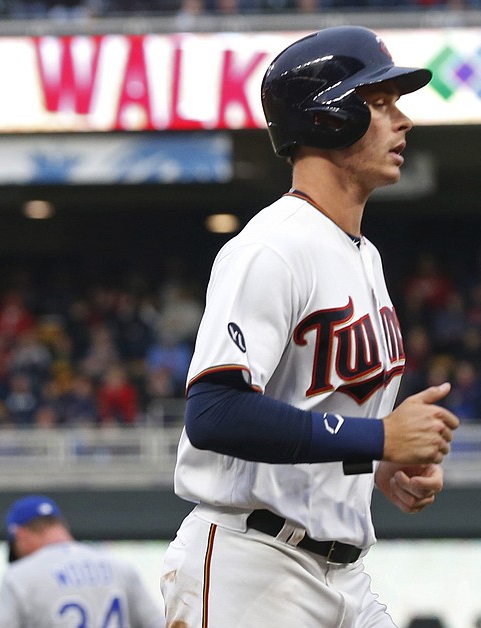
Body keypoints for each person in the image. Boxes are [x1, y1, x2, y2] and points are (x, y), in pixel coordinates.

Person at [161, 25, 460, 627]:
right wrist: (375, 441)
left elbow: (313, 407)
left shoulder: (361, 254)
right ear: (331, 117)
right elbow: (215, 412)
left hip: (342, 571)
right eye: (380, 104)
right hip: (254, 566)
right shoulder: (271, 247)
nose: (402, 121)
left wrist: (382, 467)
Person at [0, 494, 164, 628]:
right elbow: (158, 623)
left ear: (20, 534)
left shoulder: (19, 577)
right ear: (60, 525)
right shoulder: (120, 568)